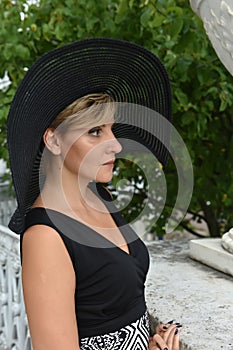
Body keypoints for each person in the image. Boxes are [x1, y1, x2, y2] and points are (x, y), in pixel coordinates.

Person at [7, 38, 181, 350]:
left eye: (112, 129)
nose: (115, 144)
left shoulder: (101, 198)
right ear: (54, 141)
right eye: (95, 132)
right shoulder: (45, 238)